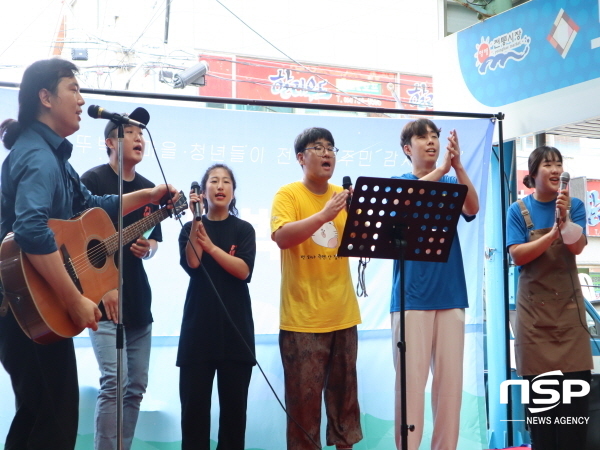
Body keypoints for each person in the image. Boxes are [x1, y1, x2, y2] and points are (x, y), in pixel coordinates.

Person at [0, 58, 178, 450]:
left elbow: (92, 204)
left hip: (33, 306)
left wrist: (148, 196)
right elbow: (30, 230)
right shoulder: (38, 157)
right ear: (45, 97)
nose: (82, 100)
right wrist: (74, 298)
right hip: (28, 303)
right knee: (53, 424)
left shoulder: (53, 157)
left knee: (38, 417)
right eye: (74, 89)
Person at [270, 127, 363, 450]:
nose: (327, 154)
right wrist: (325, 214)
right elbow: (282, 237)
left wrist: (356, 219)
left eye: (331, 148)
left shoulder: (344, 196)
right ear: (301, 157)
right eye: (318, 148)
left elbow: (364, 247)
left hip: (343, 315)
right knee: (303, 414)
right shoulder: (289, 195)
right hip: (302, 320)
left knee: (345, 411)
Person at [390, 118, 479, 450]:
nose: (431, 142)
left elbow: (473, 207)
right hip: (411, 297)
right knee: (410, 387)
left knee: (449, 388)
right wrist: (442, 170)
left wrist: (456, 167)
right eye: (422, 137)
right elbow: (403, 204)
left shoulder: (450, 180)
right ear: (406, 149)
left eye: (435, 137)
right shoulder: (399, 183)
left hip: (451, 292)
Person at [81, 107, 162, 450]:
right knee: (114, 382)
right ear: (110, 141)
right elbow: (77, 239)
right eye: (130, 133)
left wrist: (150, 247)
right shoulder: (92, 181)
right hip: (101, 299)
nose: (139, 138)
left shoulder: (150, 189)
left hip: (138, 298)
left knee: (136, 386)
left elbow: (156, 237)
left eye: (141, 134)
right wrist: (103, 289)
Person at [506, 145, 592, 450]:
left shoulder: (575, 204)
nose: (555, 170)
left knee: (574, 415)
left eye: (559, 164)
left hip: (570, 320)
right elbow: (518, 256)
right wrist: (550, 235)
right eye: (548, 165)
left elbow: (577, 247)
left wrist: (564, 220)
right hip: (534, 324)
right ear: (533, 173)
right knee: (543, 418)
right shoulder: (518, 210)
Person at [177, 164, 256, 450]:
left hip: (236, 337)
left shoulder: (244, 229)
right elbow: (193, 263)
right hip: (197, 335)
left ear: (233, 192)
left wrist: (212, 248)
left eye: (226, 182)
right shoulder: (189, 228)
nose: (220, 186)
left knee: (234, 421)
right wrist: (196, 219)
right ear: (203, 191)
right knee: (194, 418)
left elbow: (243, 270)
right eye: (213, 181)